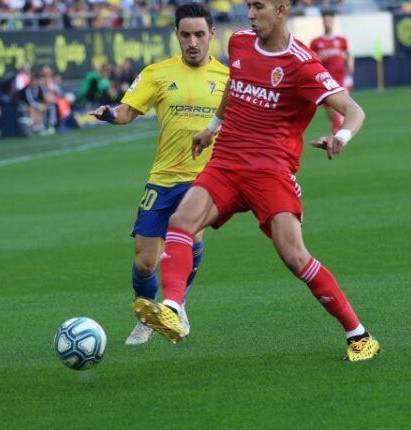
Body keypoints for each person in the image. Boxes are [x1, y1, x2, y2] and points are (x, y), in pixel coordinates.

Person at [133, 0, 380, 362]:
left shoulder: (303, 64)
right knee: (181, 222)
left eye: (258, 6)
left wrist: (340, 138)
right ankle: (172, 308)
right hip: (227, 162)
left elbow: (355, 110)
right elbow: (234, 86)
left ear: (281, 10)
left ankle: (359, 334)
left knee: (295, 256)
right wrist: (213, 127)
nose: (250, 13)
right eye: (248, 6)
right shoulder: (240, 43)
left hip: (271, 171)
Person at [91, 2, 228, 345]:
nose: (192, 42)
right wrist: (110, 114)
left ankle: (176, 304)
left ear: (212, 34)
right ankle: (148, 312)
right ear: (176, 36)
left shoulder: (228, 78)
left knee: (189, 234)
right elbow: (127, 112)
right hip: (163, 178)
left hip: (205, 179)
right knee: (144, 262)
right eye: (186, 35)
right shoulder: (157, 73)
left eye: (199, 34)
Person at [310, 9, 353, 133]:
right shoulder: (316, 42)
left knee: (338, 110)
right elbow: (312, 58)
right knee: (330, 112)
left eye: (329, 20)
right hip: (324, 81)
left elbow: (348, 53)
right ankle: (338, 129)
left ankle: (338, 133)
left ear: (333, 21)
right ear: (322, 22)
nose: (327, 22)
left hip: (340, 79)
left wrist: (350, 64)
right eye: (325, 20)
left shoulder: (341, 40)